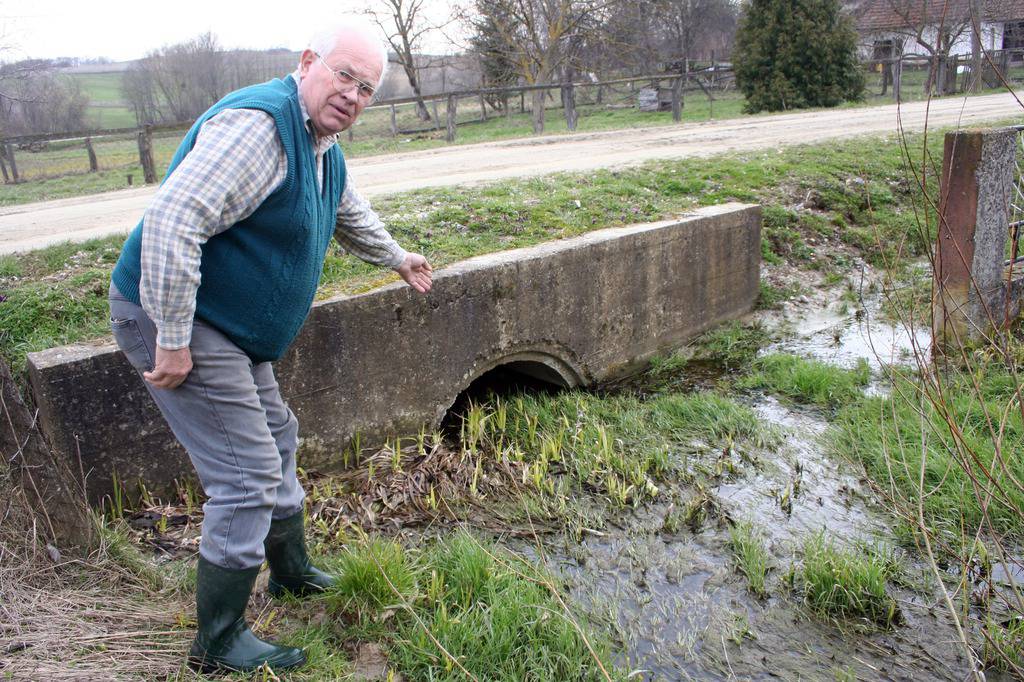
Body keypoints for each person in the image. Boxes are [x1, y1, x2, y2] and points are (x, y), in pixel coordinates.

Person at [107, 19, 432, 674]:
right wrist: (170, 338)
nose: (352, 95)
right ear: (309, 61)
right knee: (246, 473)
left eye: (366, 88)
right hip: (175, 314)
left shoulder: (319, 144)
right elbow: (174, 220)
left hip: (226, 326)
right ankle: (218, 641)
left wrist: (397, 257)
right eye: (344, 76)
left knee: (276, 440)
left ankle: (291, 572)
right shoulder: (262, 129)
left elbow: (343, 208)